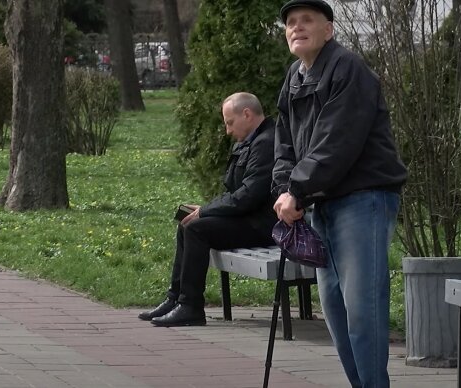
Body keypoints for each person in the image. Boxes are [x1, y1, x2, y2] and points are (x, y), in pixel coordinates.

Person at [273, 1, 409, 386]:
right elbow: (284, 144)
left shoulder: (347, 68)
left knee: (362, 308)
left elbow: (337, 141)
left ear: (329, 30)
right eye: (291, 23)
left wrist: (297, 189)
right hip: (320, 202)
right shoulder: (294, 78)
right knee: (335, 309)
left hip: (362, 199)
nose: (296, 27)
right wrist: (285, 189)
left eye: (307, 21)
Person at [139, 92, 277, 327]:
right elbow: (236, 191)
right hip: (248, 218)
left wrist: (205, 212)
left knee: (197, 228)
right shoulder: (251, 142)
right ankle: (175, 299)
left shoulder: (266, 143)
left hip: (264, 225)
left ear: (247, 114)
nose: (227, 131)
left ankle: (190, 307)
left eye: (229, 123)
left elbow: (248, 196)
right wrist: (205, 209)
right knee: (187, 223)